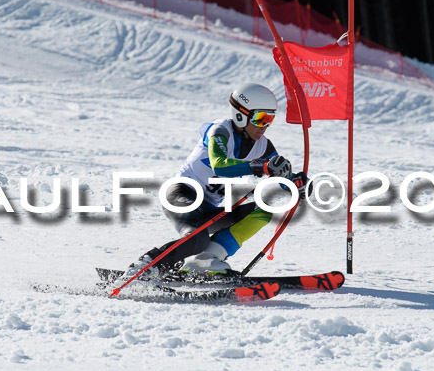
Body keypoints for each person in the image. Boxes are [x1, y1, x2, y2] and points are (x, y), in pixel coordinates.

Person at [119, 83, 309, 283]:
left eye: (269, 119)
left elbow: (277, 176)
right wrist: (260, 166)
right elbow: (220, 165)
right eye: (260, 118)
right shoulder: (220, 131)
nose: (264, 126)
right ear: (241, 114)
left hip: (208, 208)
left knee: (262, 211)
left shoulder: (264, 145)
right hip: (182, 194)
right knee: (197, 238)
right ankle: (144, 268)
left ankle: (205, 260)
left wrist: (295, 184)